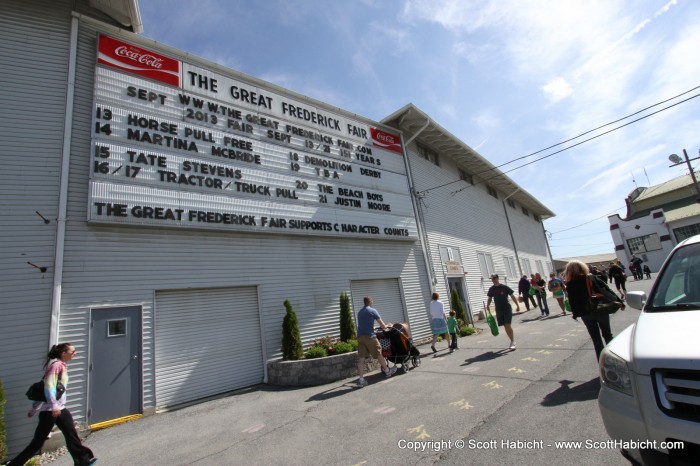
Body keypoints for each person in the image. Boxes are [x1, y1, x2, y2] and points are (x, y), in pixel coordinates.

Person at [6, 343, 97, 466]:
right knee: (37, 443)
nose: (74, 354)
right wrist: (53, 406)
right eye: (72, 352)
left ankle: (83, 461)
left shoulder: (62, 366)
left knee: (72, 435)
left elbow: (46, 387)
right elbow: (48, 387)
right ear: (63, 353)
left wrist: (34, 409)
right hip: (51, 411)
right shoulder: (56, 366)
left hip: (60, 409)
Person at [564, 260, 625, 361]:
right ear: (583, 268)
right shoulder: (590, 277)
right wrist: (619, 302)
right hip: (600, 309)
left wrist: (575, 314)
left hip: (585, 313)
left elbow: (573, 301)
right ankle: (615, 359)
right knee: (607, 335)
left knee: (596, 340)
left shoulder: (570, 284)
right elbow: (606, 290)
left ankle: (602, 363)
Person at [355, 296, 398, 387]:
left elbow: (364, 324)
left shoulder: (359, 312)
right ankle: (387, 371)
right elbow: (382, 325)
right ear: (370, 301)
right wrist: (387, 326)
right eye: (372, 300)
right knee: (379, 353)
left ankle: (361, 380)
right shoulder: (372, 310)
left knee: (361, 358)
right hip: (370, 337)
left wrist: (372, 328)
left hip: (360, 337)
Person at [486, 274, 521, 350]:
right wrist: (488, 305)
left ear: (498, 278)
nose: (493, 280)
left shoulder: (504, 287)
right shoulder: (491, 289)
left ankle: (512, 341)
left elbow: (512, 296)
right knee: (505, 326)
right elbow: (490, 298)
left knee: (508, 325)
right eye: (492, 279)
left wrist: (517, 305)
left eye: (494, 278)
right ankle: (511, 340)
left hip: (506, 308)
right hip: (498, 309)